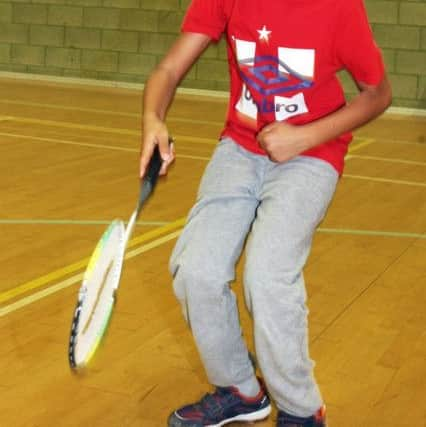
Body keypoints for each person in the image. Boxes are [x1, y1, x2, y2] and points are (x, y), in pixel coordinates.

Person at [140, 0, 392, 425]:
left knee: (268, 276)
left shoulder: (339, 8)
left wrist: (306, 136)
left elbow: (380, 93)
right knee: (195, 268)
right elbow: (167, 70)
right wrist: (153, 119)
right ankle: (240, 388)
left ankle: (301, 410)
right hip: (240, 147)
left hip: (313, 152)